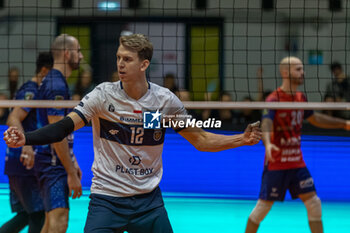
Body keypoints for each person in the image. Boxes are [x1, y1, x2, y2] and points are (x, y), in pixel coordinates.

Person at [4, 34, 262, 233]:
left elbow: (202, 139)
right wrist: (27, 137)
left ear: (144, 64)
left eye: (127, 59)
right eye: (118, 58)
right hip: (107, 199)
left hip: (148, 202)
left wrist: (242, 139)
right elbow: (63, 126)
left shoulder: (164, 102)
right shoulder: (103, 95)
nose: (120, 63)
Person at [244, 57, 350, 233]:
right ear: (285, 73)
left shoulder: (301, 97)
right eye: (298, 69)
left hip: (296, 162)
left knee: (314, 202)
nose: (303, 73)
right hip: (277, 163)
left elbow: (315, 118)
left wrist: (344, 124)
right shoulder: (273, 99)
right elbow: (266, 123)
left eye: (302, 69)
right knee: (263, 207)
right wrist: (268, 143)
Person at [34, 34, 83, 233]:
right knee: (59, 220)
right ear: (67, 53)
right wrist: (70, 172)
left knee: (50, 221)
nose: (81, 56)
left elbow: (61, 132)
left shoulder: (55, 81)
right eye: (78, 51)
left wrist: (72, 160)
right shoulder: (56, 85)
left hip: (50, 162)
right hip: (52, 166)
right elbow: (56, 134)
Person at [0, 52, 53, 233]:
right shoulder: (32, 90)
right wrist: (27, 145)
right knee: (38, 215)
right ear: (45, 71)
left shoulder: (32, 90)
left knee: (25, 215)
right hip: (23, 164)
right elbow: (13, 118)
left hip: (17, 165)